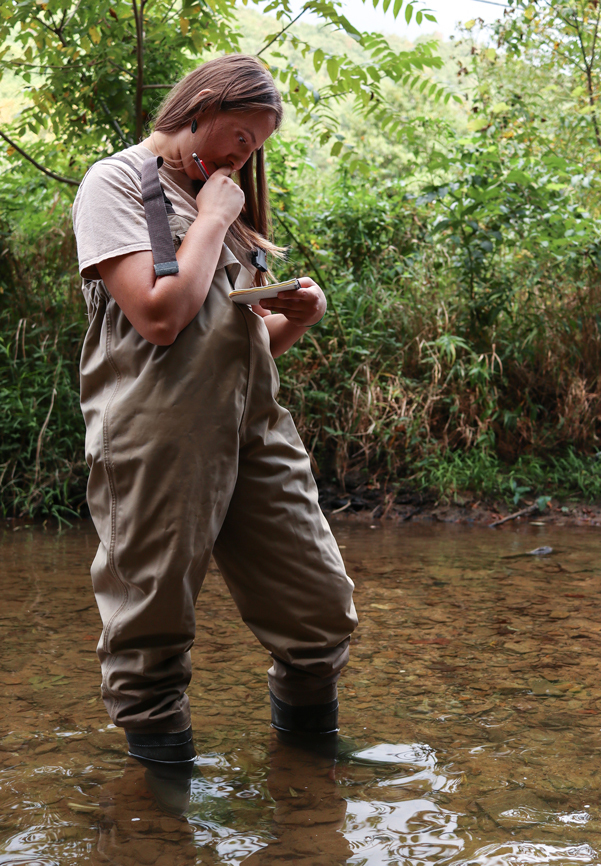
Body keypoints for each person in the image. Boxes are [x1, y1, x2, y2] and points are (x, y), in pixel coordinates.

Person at [72, 54, 358, 767]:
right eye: (239, 134)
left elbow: (242, 344)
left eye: (256, 146)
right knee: (151, 631)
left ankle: (310, 779)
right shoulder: (116, 183)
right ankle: (162, 812)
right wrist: (213, 216)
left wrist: (302, 315)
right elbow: (162, 318)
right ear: (200, 105)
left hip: (254, 432)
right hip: (155, 440)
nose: (243, 154)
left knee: (319, 610)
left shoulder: (220, 203)